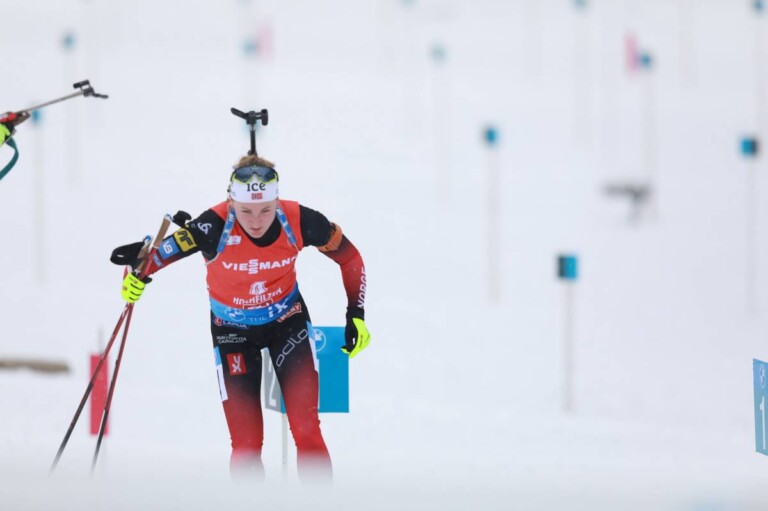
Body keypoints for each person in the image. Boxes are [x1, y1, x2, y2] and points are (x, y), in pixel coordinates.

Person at [111, 153, 371, 481]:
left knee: (307, 429)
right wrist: (133, 277)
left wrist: (356, 313)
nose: (256, 220)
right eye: (246, 210)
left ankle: (318, 502)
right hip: (232, 332)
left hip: (287, 323)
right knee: (246, 445)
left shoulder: (300, 220)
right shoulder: (211, 226)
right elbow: (152, 260)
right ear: (231, 202)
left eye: (266, 210)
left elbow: (351, 258)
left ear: (277, 201)